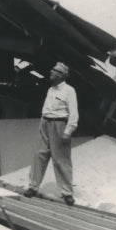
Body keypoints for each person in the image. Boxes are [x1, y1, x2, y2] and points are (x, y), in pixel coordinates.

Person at [24, 62, 78, 205]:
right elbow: (46, 109)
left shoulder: (69, 90)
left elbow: (74, 113)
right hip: (45, 124)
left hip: (59, 125)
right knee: (39, 155)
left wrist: (68, 131)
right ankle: (33, 187)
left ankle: (67, 193)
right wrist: (42, 125)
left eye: (54, 71)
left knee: (61, 160)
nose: (50, 72)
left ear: (61, 75)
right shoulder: (50, 90)